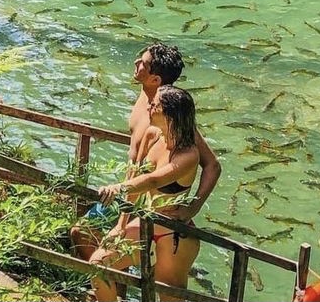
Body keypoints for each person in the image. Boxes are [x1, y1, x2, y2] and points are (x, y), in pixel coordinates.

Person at [70, 41, 220, 260]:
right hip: (130, 189)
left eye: (143, 63)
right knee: (82, 233)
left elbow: (213, 165)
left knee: (86, 234)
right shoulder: (144, 96)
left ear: (155, 80)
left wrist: (192, 208)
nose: (136, 62)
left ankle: (115, 273)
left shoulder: (168, 114)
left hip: (146, 198)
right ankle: (115, 275)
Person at [90, 85, 201, 302]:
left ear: (170, 114)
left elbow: (154, 180)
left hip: (173, 235)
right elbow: (136, 177)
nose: (149, 107)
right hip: (144, 222)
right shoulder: (151, 136)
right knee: (99, 265)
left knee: (169, 297)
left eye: (155, 105)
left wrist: (118, 188)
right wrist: (120, 225)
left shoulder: (189, 155)